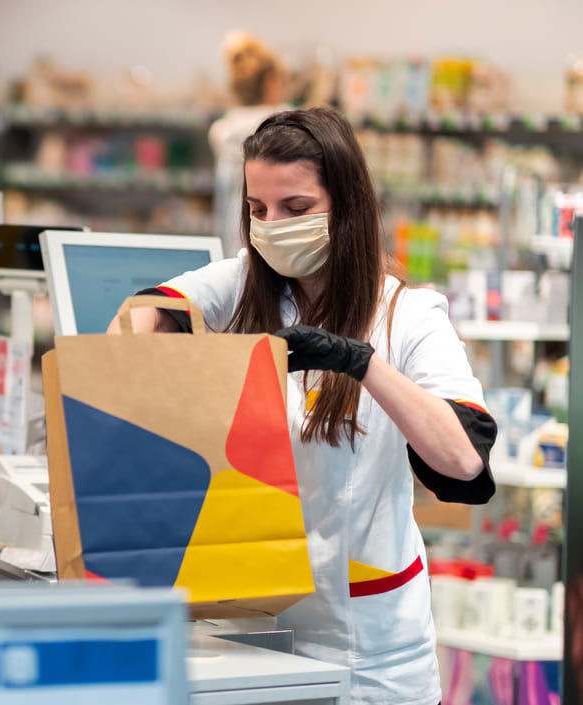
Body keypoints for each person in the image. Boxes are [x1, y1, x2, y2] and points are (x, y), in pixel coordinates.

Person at [110, 107, 496, 705]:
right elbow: (141, 315)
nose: (271, 226)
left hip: (368, 643)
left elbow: (463, 460)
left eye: (295, 209)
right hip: (253, 629)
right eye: (257, 210)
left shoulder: (410, 316)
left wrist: (359, 362)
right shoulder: (243, 283)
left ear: (347, 207)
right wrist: (153, 344)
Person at [209, 31, 289, 256]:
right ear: (271, 82)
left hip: (228, 251)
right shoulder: (286, 126)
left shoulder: (222, 131)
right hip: (269, 254)